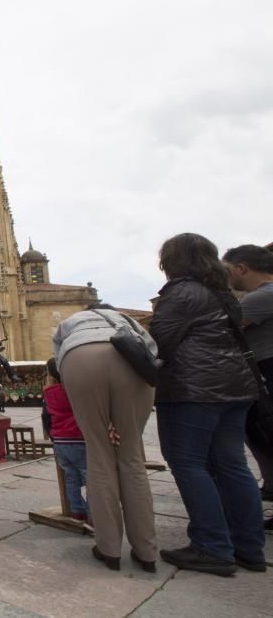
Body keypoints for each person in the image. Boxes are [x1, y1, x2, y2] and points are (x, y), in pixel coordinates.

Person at [150, 233, 266, 575]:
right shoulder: (223, 294)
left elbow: (160, 343)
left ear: (170, 262)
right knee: (233, 466)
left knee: (188, 463)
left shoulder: (181, 293)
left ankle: (212, 546)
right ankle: (249, 547)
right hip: (238, 389)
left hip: (194, 390)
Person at [53, 303, 158, 573]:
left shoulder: (72, 321)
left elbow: (58, 360)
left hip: (79, 357)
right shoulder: (125, 318)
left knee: (98, 454)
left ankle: (109, 548)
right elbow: (152, 351)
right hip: (131, 357)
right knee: (131, 456)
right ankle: (146, 551)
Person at [222, 244, 273, 508]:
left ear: (242, 268)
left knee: (265, 434)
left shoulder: (260, 297)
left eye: (227, 271)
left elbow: (223, 330)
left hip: (267, 372)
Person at [43, 358, 88, 521]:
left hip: (60, 442)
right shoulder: (75, 390)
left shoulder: (49, 393)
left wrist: (53, 436)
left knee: (71, 477)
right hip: (78, 439)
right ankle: (93, 512)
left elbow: (46, 417)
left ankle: (77, 510)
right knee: (91, 477)